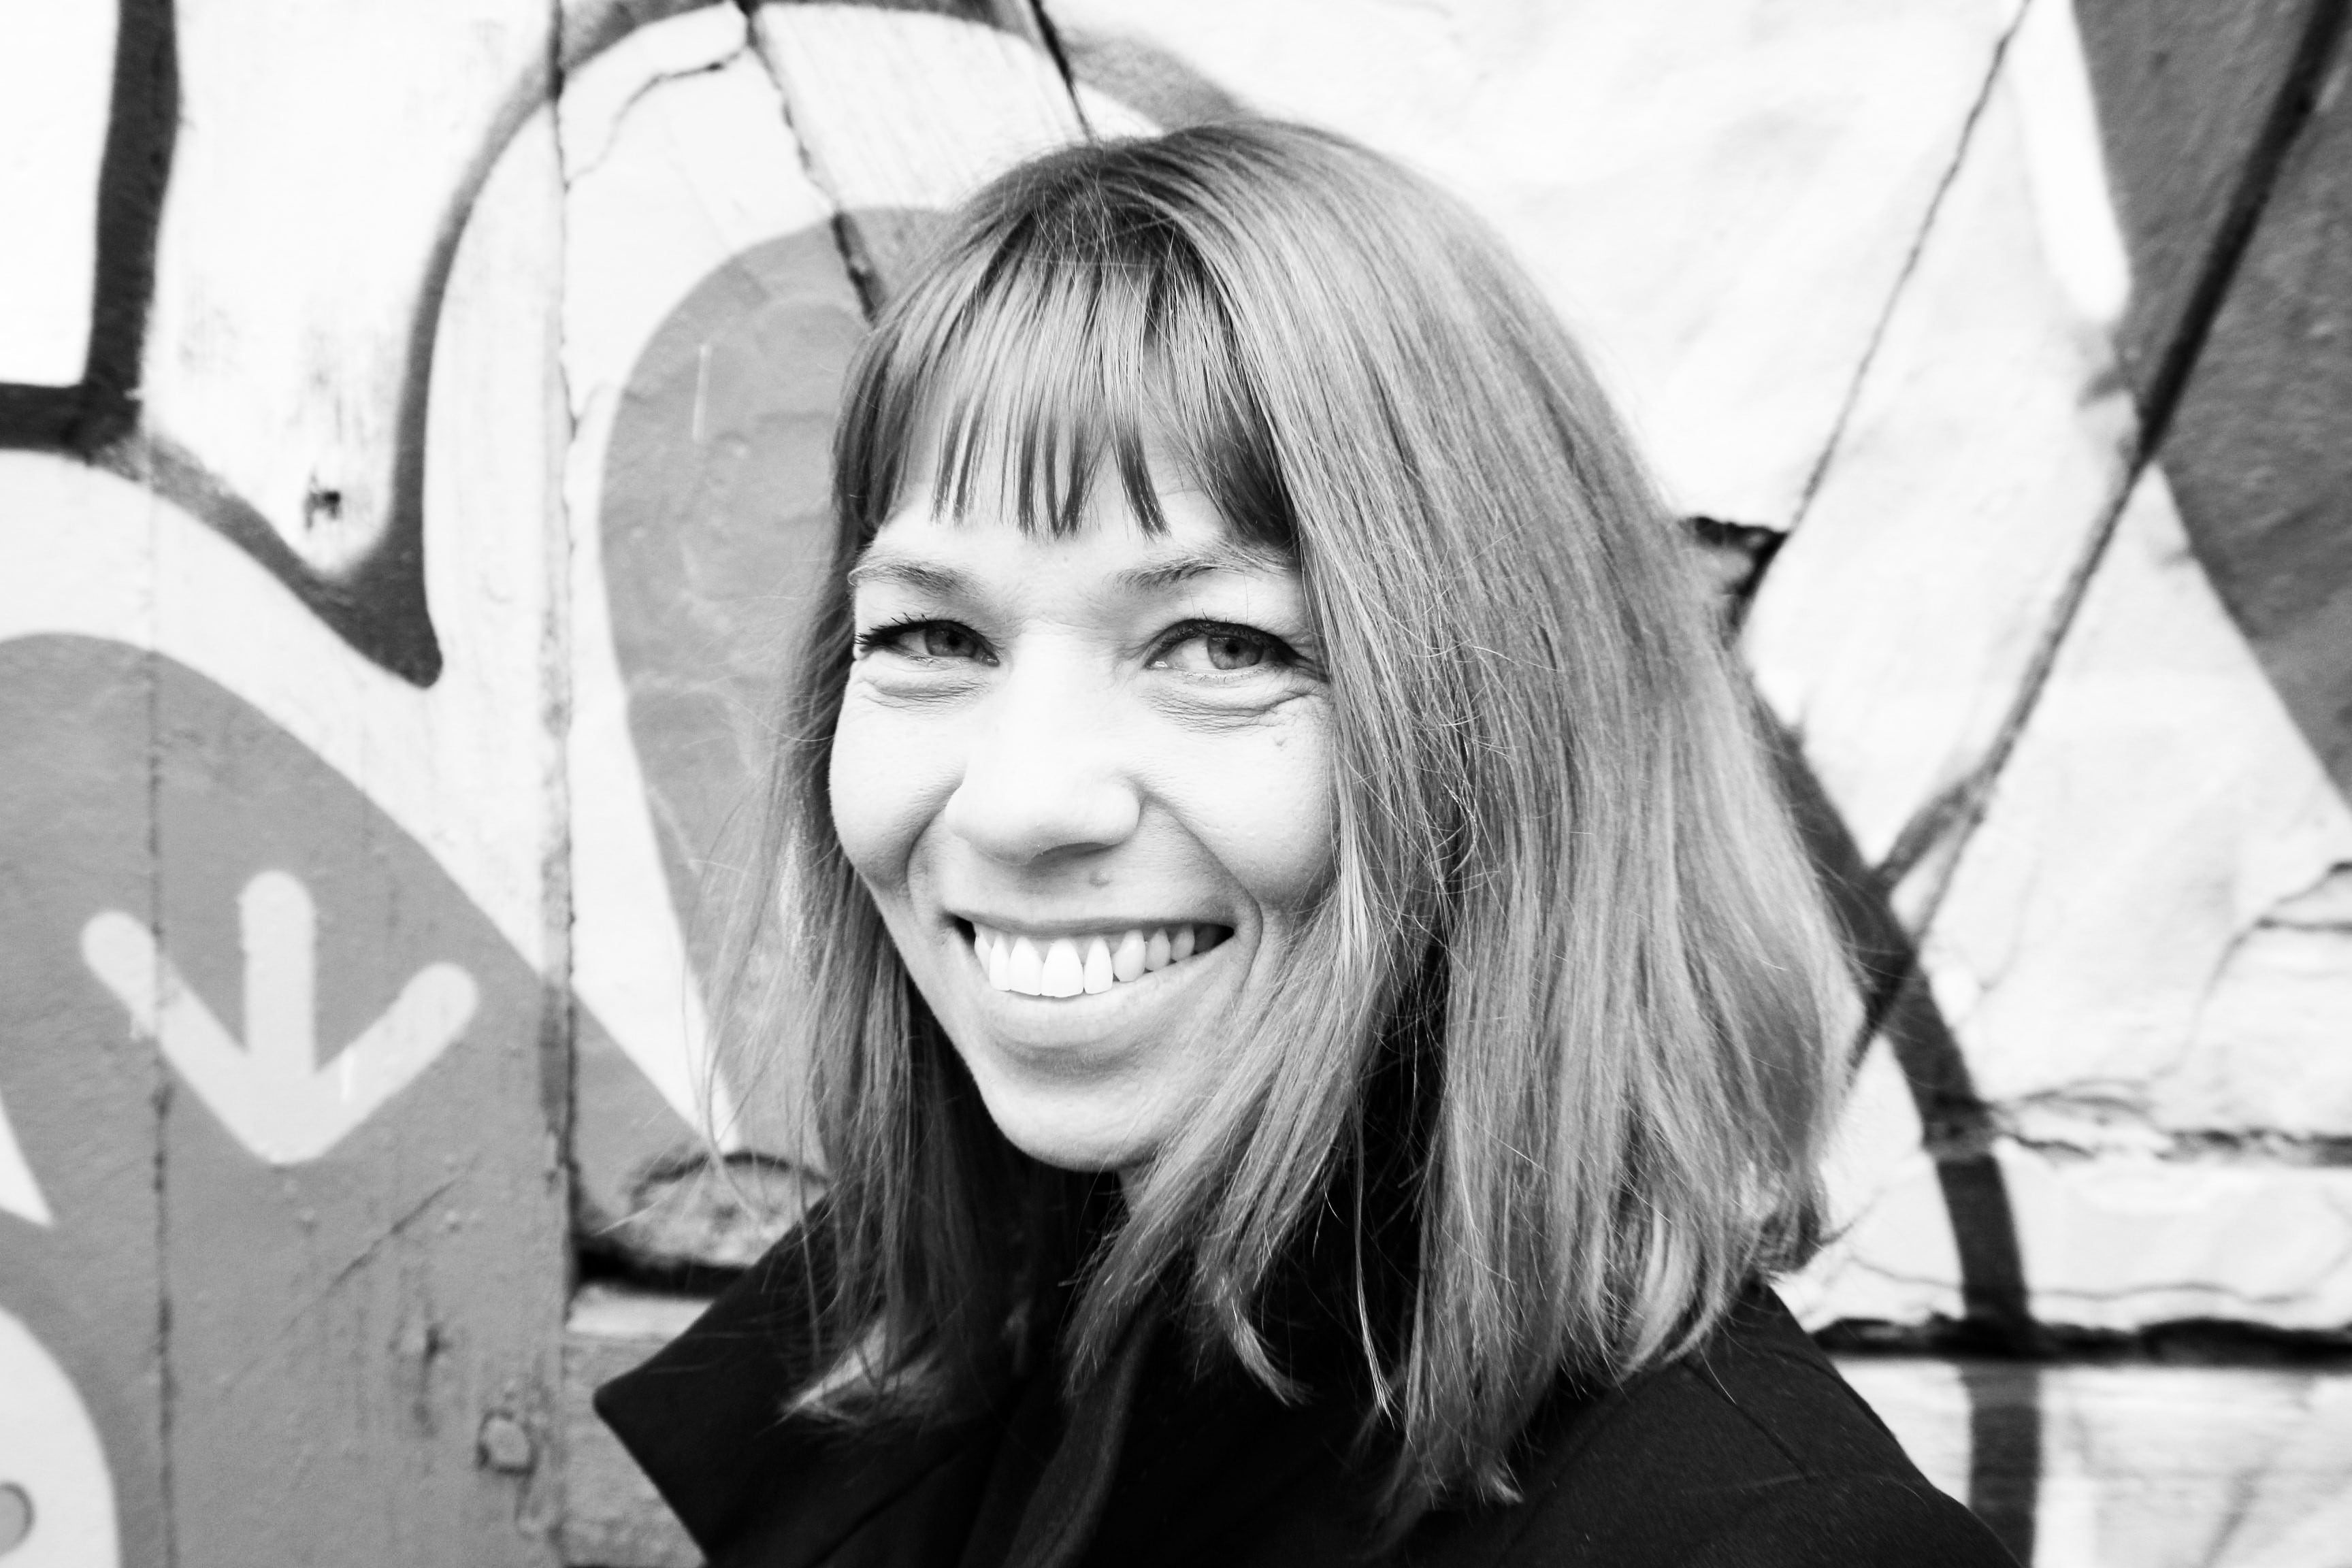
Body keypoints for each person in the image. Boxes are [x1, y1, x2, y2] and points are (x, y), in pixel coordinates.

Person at [596, 121, 2019, 1567]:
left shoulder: (1777, 1546)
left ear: (1510, 728)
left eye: (1222, 645)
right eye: (935, 637)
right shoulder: (956, 1342)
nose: (1018, 804)